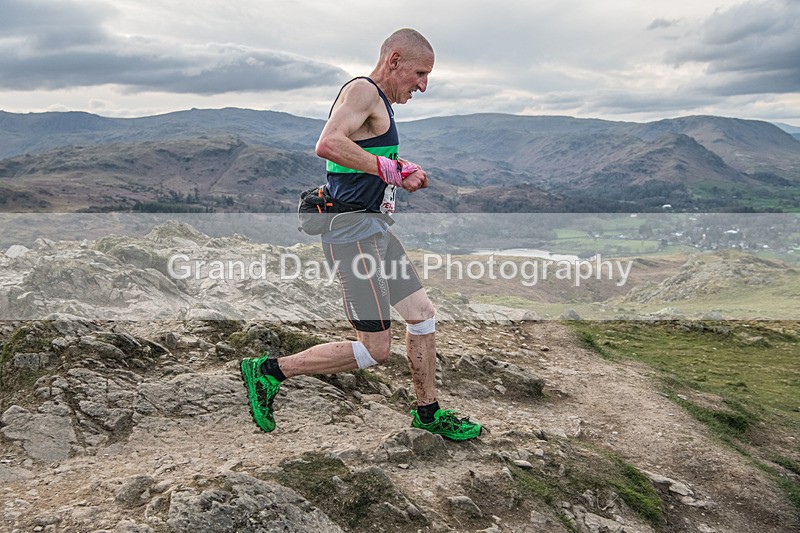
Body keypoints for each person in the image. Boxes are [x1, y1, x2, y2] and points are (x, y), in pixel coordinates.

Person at [240, 28, 481, 441]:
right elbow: (329, 143)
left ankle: (428, 412)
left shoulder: (380, 102)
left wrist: (401, 166)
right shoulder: (362, 90)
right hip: (351, 232)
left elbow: (362, 155)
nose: (423, 85)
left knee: (422, 316)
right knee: (375, 350)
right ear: (395, 60)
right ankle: (267, 371)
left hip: (374, 228)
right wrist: (390, 171)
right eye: (420, 73)